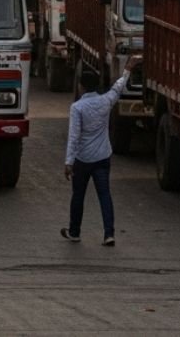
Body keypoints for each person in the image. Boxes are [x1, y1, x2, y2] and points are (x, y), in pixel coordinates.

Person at [61, 54, 140, 246]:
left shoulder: (77, 107)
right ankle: (109, 233)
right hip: (103, 157)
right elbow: (118, 88)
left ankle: (75, 231)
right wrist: (127, 70)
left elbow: (74, 136)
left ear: (81, 87)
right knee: (104, 194)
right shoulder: (105, 101)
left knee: (78, 195)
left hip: (83, 159)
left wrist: (69, 162)